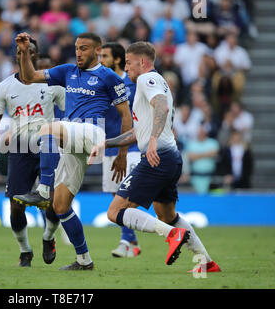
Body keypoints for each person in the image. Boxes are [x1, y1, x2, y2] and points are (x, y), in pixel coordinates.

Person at [89, 41, 221, 273]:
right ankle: (206, 262)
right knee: (168, 215)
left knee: (114, 212)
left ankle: (172, 235)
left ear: (142, 62)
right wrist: (106, 143)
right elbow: (136, 132)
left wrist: (151, 141)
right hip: (170, 159)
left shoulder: (146, 79)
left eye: (128, 63)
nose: (126, 68)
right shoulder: (156, 82)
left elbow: (161, 107)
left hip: (155, 158)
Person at [13, 32, 131, 270]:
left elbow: (126, 116)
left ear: (97, 51)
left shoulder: (109, 77)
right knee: (61, 206)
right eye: (77, 48)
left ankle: (43, 189)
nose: (78, 52)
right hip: (71, 139)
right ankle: (84, 261)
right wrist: (25, 52)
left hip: (92, 132)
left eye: (84, 48)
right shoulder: (67, 71)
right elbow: (29, 76)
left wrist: (122, 154)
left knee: (47, 129)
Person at [0, 38, 66, 267]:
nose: (28, 55)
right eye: (23, 51)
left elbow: (70, 111)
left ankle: (48, 238)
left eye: (32, 51)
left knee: (54, 202)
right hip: (19, 148)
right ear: (17, 56)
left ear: (37, 56)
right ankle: (25, 250)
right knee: (15, 204)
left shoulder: (52, 83)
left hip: (47, 146)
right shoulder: (5, 87)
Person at [99, 42, 141, 258]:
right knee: (116, 195)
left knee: (126, 195)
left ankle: (125, 242)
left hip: (132, 147)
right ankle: (132, 241)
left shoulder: (132, 83)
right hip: (109, 148)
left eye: (104, 56)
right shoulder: (100, 85)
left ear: (117, 59)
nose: (100, 60)